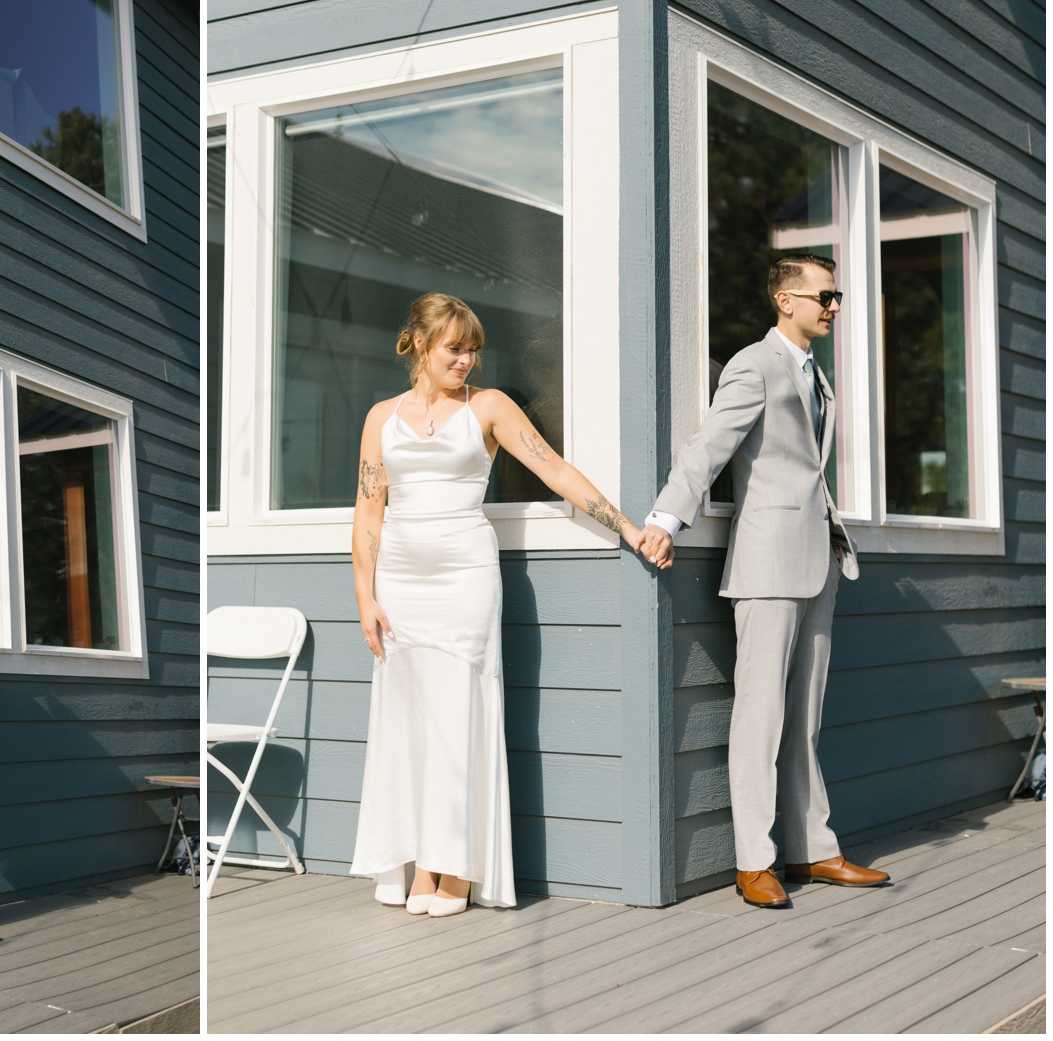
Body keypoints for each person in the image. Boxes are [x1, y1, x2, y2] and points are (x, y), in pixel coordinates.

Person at [348, 293, 653, 915]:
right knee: (411, 724)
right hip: (400, 586)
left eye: (473, 349)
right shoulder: (381, 417)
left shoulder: (486, 407)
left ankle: (452, 869)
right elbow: (368, 511)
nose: (467, 360)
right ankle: (416, 861)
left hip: (465, 578)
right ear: (418, 345)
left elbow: (553, 469)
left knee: (459, 716)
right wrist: (365, 596)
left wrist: (625, 525)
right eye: (453, 348)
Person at [638, 253, 886, 909]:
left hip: (818, 559)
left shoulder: (816, 376)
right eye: (825, 296)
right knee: (760, 714)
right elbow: (708, 446)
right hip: (768, 560)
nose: (834, 306)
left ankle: (814, 846)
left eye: (837, 297)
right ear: (785, 298)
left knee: (803, 718)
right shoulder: (755, 364)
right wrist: (667, 516)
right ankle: (755, 859)